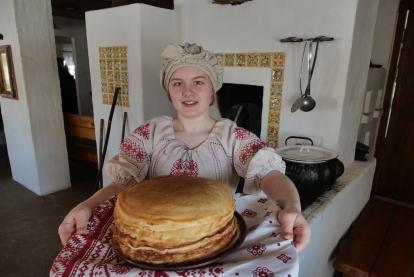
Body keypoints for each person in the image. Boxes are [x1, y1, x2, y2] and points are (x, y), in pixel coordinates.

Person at [58, 43, 311, 251]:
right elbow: (120, 184)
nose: (187, 91)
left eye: (198, 82)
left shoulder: (233, 136)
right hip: (156, 244)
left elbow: (271, 175)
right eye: (177, 83)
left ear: (213, 90)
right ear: (169, 92)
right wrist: (86, 206)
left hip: (214, 241)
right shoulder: (149, 133)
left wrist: (292, 208)